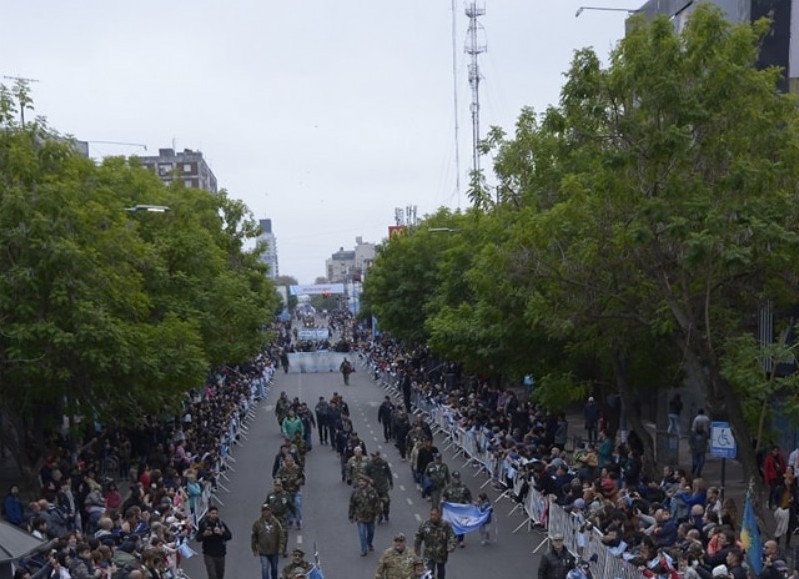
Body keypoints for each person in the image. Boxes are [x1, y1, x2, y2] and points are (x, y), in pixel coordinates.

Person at [414, 507, 456, 579]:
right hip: (429, 554)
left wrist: (452, 545)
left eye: (435, 515)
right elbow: (418, 537)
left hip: (441, 554)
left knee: (441, 571)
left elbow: (452, 536)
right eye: (431, 514)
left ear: (439, 515)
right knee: (429, 572)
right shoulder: (425, 524)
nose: (433, 517)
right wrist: (417, 550)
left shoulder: (445, 525)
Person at [196, 505, 232, 579]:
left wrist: (222, 533)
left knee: (220, 575)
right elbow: (198, 538)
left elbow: (229, 536)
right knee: (212, 575)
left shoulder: (221, 523)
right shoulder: (204, 524)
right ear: (209, 514)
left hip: (220, 554)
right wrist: (204, 534)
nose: (214, 515)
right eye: (213, 513)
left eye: (216, 513)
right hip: (209, 554)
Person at [349, 476, 381, 556]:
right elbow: (352, 505)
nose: (361, 483)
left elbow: (377, 503)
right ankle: (364, 549)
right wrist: (351, 515)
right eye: (360, 481)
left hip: (371, 516)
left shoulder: (372, 491)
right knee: (362, 533)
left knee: (371, 532)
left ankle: (369, 543)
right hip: (360, 517)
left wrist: (378, 514)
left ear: (367, 482)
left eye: (363, 481)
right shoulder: (355, 492)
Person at [251, 504, 285, 579]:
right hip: (263, 551)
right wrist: (254, 549)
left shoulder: (276, 523)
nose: (266, 512)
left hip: (274, 551)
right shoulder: (257, 524)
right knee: (265, 568)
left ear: (270, 511)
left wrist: (281, 547)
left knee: (274, 569)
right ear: (261, 512)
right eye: (264, 510)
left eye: (267, 510)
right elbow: (253, 537)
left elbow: (281, 536)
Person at [264, 479, 296, 557]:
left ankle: (284, 550)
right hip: (273, 517)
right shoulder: (270, 494)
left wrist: (294, 514)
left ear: (282, 486)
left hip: (283, 516)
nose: (278, 487)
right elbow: (266, 504)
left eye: (279, 486)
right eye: (276, 486)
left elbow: (290, 505)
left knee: (284, 533)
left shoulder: (286, 495)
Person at [441, 472, 472, 547]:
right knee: (452, 524)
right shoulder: (448, 487)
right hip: (451, 510)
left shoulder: (463, 486)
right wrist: (443, 500)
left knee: (461, 524)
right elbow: (444, 496)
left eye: (458, 477)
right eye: (455, 478)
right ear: (452, 478)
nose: (456, 479)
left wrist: (471, 503)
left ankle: (461, 540)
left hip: (461, 509)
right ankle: (453, 538)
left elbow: (468, 496)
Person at [367, 451, 394, 523]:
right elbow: (365, 474)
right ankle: (380, 515)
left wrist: (391, 482)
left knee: (387, 501)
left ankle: (386, 513)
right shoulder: (369, 465)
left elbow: (389, 473)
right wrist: (369, 479)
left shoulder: (384, 463)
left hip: (383, 487)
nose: (375, 458)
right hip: (374, 488)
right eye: (373, 456)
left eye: (376, 456)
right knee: (376, 503)